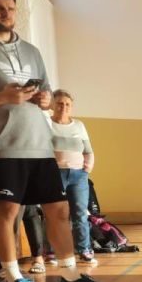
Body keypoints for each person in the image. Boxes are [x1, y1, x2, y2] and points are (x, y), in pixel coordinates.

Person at [0, 0, 111, 282]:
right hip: (0, 146)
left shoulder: (31, 51)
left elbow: (49, 97)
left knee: (59, 210)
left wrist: (45, 100)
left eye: (11, 8)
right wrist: (3, 97)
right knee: (6, 211)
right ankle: (13, 278)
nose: (6, 14)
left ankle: (70, 275)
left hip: (39, 144)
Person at [47, 89, 96, 263]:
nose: (64, 107)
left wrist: (86, 169)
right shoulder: (46, 124)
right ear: (52, 105)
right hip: (54, 175)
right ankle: (52, 252)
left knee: (80, 213)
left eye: (67, 104)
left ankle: (84, 249)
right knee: (55, 214)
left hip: (78, 176)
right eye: (60, 103)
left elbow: (88, 151)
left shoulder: (79, 125)